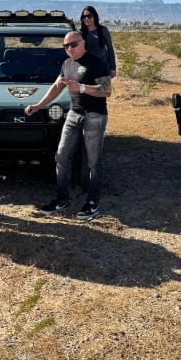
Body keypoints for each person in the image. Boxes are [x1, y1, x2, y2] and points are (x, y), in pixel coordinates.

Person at [25, 30, 111, 220]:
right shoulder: (66, 64)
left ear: (83, 43)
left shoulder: (96, 62)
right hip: (74, 113)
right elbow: (57, 86)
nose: (69, 48)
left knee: (93, 162)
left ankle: (92, 203)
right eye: (66, 45)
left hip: (95, 116)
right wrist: (38, 105)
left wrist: (81, 88)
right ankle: (62, 199)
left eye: (73, 44)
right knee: (62, 156)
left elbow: (106, 90)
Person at [79, 5, 116, 77]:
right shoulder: (81, 33)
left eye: (89, 16)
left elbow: (110, 49)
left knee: (103, 88)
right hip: (87, 69)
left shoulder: (103, 30)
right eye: (84, 16)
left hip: (103, 68)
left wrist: (113, 68)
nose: (86, 18)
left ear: (94, 16)